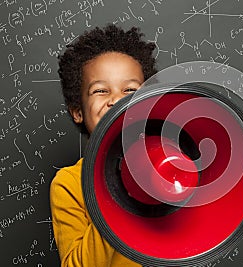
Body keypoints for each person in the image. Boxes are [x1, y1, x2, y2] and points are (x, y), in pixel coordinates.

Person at [50, 24, 157, 267]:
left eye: (130, 90)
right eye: (100, 90)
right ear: (77, 111)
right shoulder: (68, 184)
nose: (116, 100)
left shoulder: (164, 165)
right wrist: (120, 193)